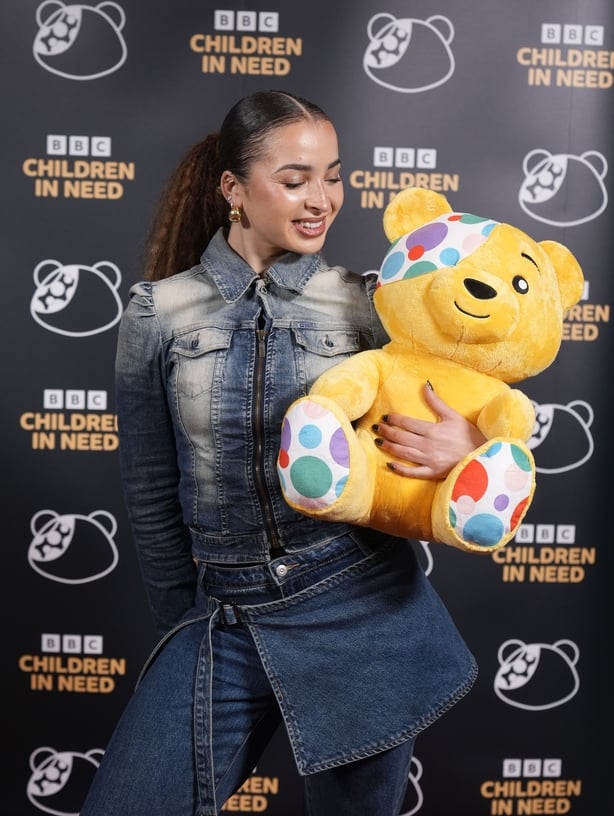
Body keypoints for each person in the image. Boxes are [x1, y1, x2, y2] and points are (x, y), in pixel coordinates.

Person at [80, 89, 486, 816]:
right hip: (223, 619)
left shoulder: (372, 305)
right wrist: (188, 622)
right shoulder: (157, 311)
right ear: (233, 188)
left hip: (362, 613)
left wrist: (470, 447)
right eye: (295, 180)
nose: (321, 199)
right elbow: (148, 489)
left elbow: (469, 422)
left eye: (332, 176)